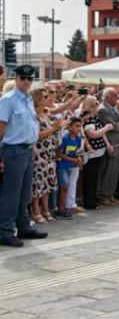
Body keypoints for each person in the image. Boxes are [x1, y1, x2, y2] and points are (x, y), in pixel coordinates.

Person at [0, 65, 47, 247]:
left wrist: (33, 144)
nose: (27, 81)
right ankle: (5, 231)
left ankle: (23, 226)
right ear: (16, 78)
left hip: (27, 150)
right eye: (23, 78)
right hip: (13, 150)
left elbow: (29, 125)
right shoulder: (8, 100)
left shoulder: (27, 99)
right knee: (11, 193)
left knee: (24, 193)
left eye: (30, 78)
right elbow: (1, 129)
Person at [31, 88, 65, 223]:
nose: (48, 98)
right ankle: (36, 209)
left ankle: (46, 209)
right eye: (44, 96)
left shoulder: (47, 113)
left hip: (50, 153)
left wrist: (58, 127)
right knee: (38, 183)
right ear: (38, 99)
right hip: (40, 153)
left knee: (48, 183)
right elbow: (37, 135)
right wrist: (54, 128)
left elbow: (53, 130)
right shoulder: (34, 116)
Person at [80, 96, 113, 210]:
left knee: (95, 176)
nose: (98, 105)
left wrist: (107, 144)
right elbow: (92, 134)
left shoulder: (95, 116)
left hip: (99, 150)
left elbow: (101, 132)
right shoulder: (87, 117)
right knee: (90, 177)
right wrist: (107, 128)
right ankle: (89, 201)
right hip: (91, 151)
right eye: (96, 103)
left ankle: (93, 198)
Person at [97, 88, 119, 206]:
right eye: (115, 95)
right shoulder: (102, 109)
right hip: (110, 143)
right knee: (107, 170)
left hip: (117, 144)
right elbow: (113, 126)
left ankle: (110, 194)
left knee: (114, 171)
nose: (118, 97)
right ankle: (104, 195)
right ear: (108, 96)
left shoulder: (115, 109)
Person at [55, 117, 84, 220]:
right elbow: (59, 154)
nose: (79, 128)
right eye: (76, 126)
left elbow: (76, 152)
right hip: (62, 166)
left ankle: (64, 208)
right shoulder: (65, 138)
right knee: (64, 186)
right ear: (69, 127)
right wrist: (73, 160)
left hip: (71, 166)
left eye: (80, 126)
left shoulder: (78, 139)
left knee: (67, 186)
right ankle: (61, 209)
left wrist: (79, 159)